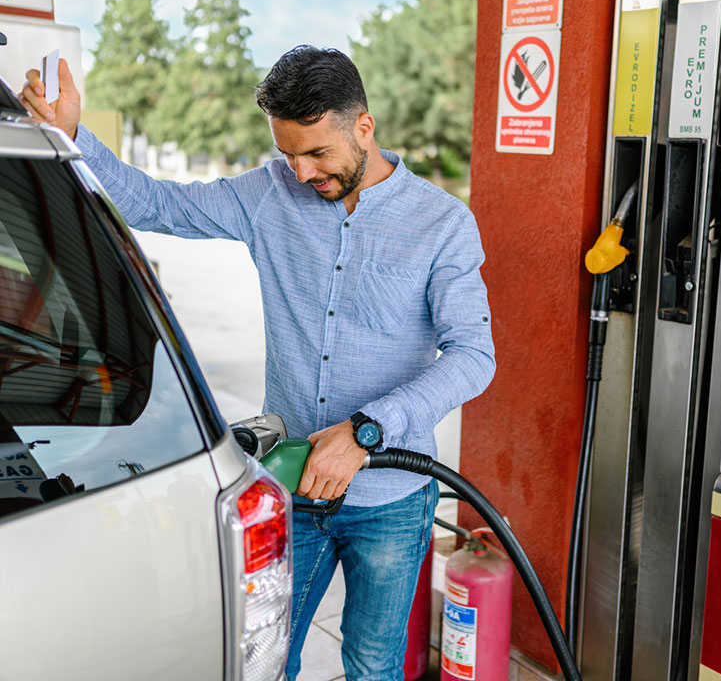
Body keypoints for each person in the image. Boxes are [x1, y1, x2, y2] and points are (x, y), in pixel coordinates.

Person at [19, 46, 495, 680]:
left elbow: (473, 355)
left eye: (317, 153)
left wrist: (365, 430)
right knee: (265, 661)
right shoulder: (269, 194)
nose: (300, 173)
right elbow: (155, 204)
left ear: (364, 125)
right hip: (291, 483)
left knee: (374, 666)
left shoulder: (442, 224)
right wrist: (74, 137)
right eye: (287, 154)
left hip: (391, 496)